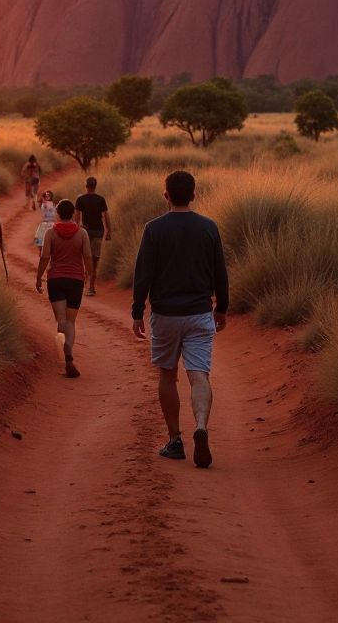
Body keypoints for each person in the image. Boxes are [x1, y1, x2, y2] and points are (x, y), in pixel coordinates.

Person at [131, 170, 229, 469]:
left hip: (166, 314)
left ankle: (175, 441)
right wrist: (221, 308)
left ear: (166, 195)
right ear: (194, 194)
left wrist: (137, 311)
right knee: (199, 374)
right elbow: (220, 273)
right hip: (200, 312)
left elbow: (143, 274)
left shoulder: (154, 229)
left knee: (167, 374)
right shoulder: (209, 227)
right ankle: (201, 423)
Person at [36, 199, 92, 379]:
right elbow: (88, 256)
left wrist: (38, 276)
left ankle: (65, 357)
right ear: (73, 213)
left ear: (58, 213)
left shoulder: (51, 233)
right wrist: (90, 277)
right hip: (76, 280)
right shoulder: (82, 233)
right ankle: (69, 352)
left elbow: (45, 257)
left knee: (61, 320)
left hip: (56, 279)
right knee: (71, 321)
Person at [74, 176, 111, 297]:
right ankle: (91, 287)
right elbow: (106, 216)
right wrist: (108, 231)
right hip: (98, 232)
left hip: (85, 232)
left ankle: (82, 286)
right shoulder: (101, 199)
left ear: (86, 186)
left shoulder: (81, 199)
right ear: (95, 186)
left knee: (85, 258)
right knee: (95, 259)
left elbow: (77, 217)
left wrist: (77, 229)